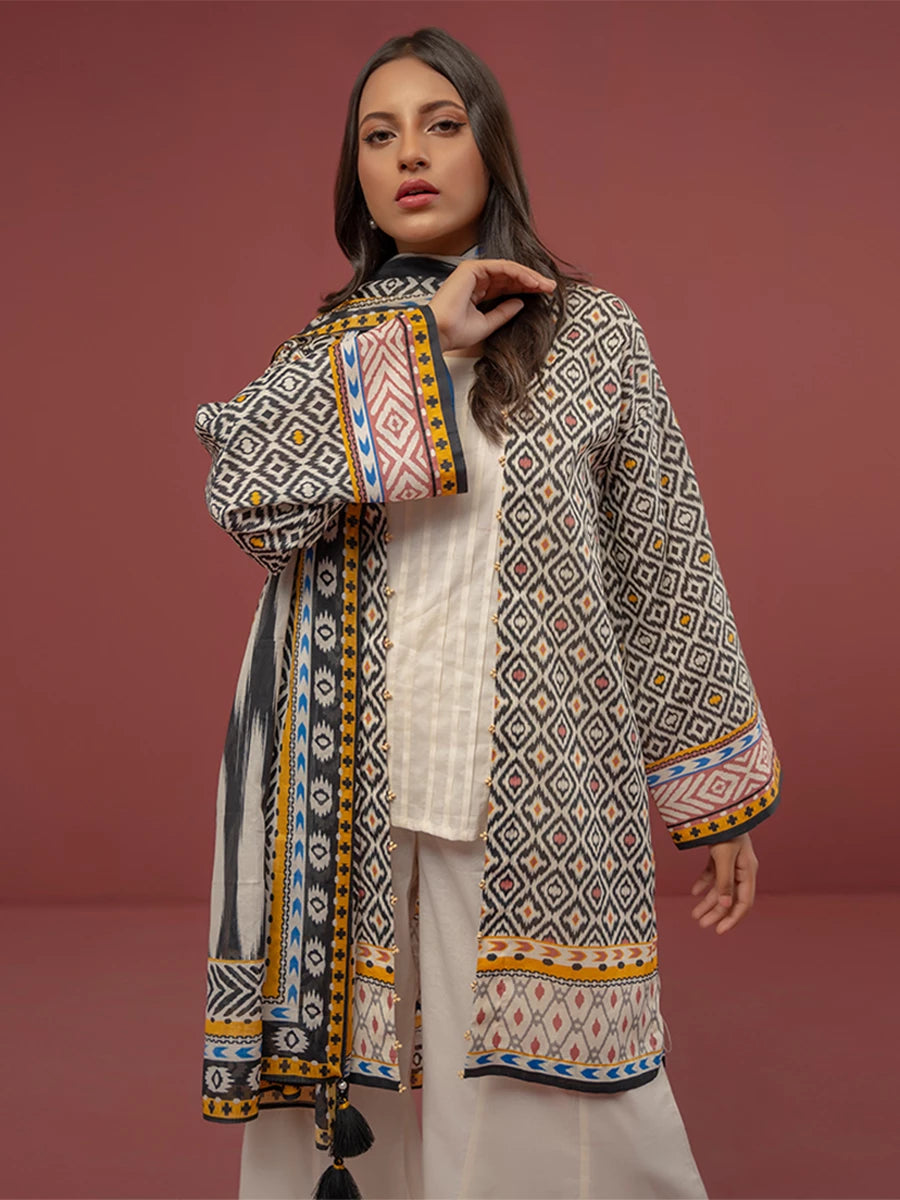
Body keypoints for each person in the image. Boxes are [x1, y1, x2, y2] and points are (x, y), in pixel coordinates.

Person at [195, 26, 782, 1200]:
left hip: (534, 785)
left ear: (491, 148)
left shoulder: (594, 337)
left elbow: (664, 568)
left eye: (441, 125)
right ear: (357, 176)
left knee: (554, 1114)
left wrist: (711, 792)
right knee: (352, 1114)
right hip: (340, 797)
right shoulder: (333, 350)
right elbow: (240, 491)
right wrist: (425, 340)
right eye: (379, 136)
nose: (409, 154)